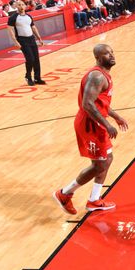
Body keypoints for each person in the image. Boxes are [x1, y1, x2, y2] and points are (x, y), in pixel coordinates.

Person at [53, 44, 128, 214]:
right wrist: (107, 124)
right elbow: (87, 104)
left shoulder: (104, 76)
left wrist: (116, 117)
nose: (111, 55)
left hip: (97, 123)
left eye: (112, 52)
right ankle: (64, 193)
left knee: (107, 160)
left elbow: (100, 103)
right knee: (99, 164)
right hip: (90, 125)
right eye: (106, 54)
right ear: (98, 58)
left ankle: (94, 199)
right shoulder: (97, 76)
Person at [7, 1, 45, 86]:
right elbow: (10, 30)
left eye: (22, 5)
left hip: (31, 38)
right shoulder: (13, 17)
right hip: (22, 40)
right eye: (19, 5)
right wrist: (15, 41)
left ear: (25, 6)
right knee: (30, 59)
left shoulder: (28, 16)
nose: (21, 6)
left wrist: (39, 38)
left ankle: (37, 78)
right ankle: (28, 76)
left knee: (36, 59)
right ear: (16, 6)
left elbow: (33, 27)